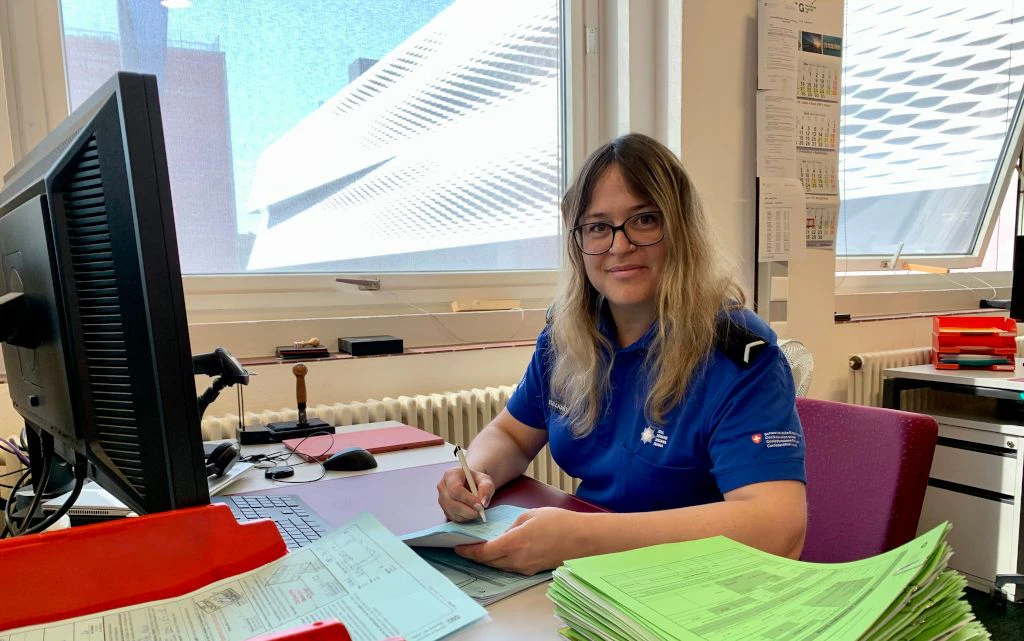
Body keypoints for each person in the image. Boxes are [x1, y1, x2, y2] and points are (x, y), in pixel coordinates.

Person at [436, 133, 807, 576]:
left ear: (682, 229)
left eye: (645, 220)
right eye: (597, 226)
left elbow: (778, 526)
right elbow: (513, 436)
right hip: (588, 574)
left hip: (693, 581)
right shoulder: (568, 335)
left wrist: (582, 540)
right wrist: (474, 475)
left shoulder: (739, 353)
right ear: (579, 244)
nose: (619, 245)